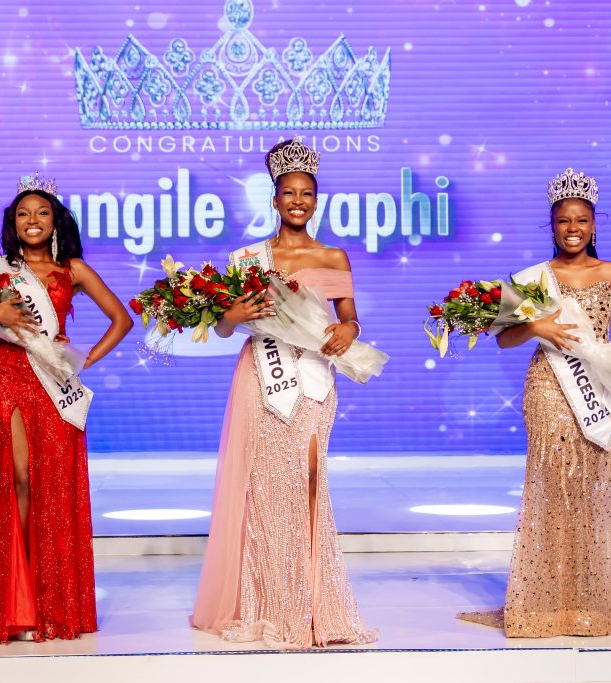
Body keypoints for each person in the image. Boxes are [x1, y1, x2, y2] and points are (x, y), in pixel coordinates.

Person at [191, 139, 378, 649]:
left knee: (310, 479)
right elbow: (225, 327)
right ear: (274, 200)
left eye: (307, 193)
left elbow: (349, 318)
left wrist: (350, 329)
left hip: (314, 376)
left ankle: (311, 602)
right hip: (262, 376)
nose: (298, 201)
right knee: (266, 485)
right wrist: (232, 315)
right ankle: (268, 600)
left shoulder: (333, 255)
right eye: (289, 193)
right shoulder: (248, 259)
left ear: (316, 201)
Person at [0, 174, 133, 642]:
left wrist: (82, 360)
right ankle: (21, 603)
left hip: (54, 380)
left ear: (55, 222)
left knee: (55, 485)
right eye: (23, 214)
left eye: (42, 212)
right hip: (8, 375)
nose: (32, 220)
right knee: (20, 481)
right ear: (13, 223)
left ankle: (53, 603)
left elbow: (122, 319)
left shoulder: (73, 270)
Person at [459, 168, 611, 637]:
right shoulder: (536, 280)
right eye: (564, 221)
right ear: (552, 225)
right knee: (552, 487)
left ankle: (584, 602)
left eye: (581, 220)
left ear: (594, 224)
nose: (572, 228)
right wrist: (535, 326)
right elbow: (504, 339)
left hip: (596, 391)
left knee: (589, 489)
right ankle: (543, 603)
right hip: (547, 387)